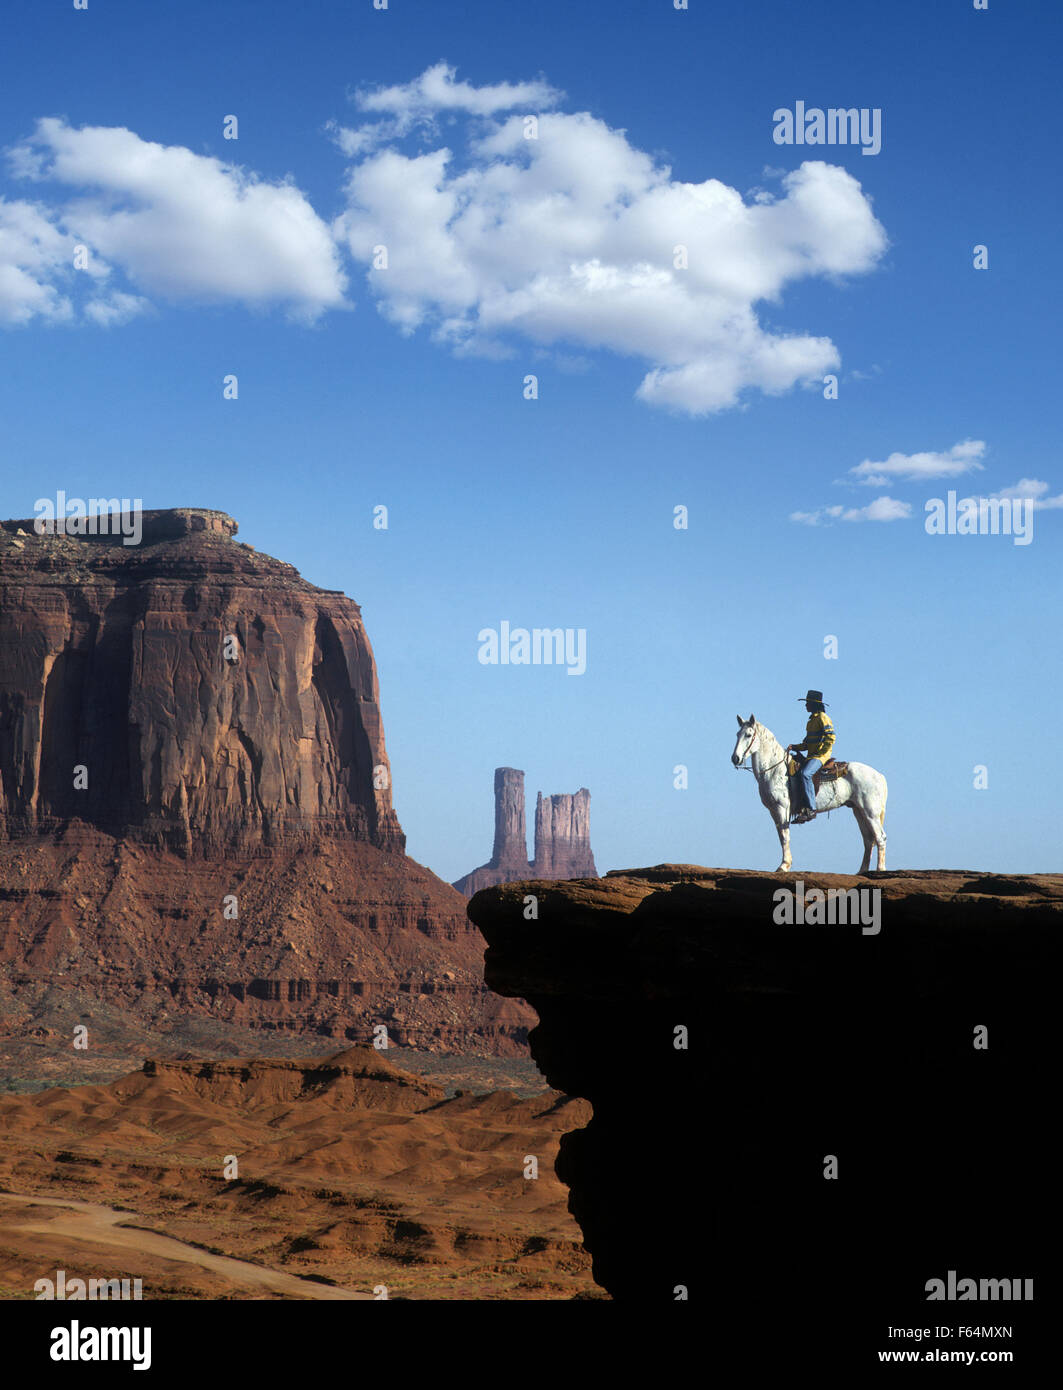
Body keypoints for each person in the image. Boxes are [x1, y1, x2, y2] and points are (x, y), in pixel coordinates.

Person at [786, 690, 834, 824]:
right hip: (811, 755)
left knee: (806, 774)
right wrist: (795, 747)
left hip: (820, 756)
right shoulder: (811, 721)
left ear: (814, 704)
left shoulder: (823, 718)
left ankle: (811, 809)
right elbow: (807, 743)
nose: (805, 705)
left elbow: (831, 737)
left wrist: (821, 752)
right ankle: (801, 807)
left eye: (807, 703)